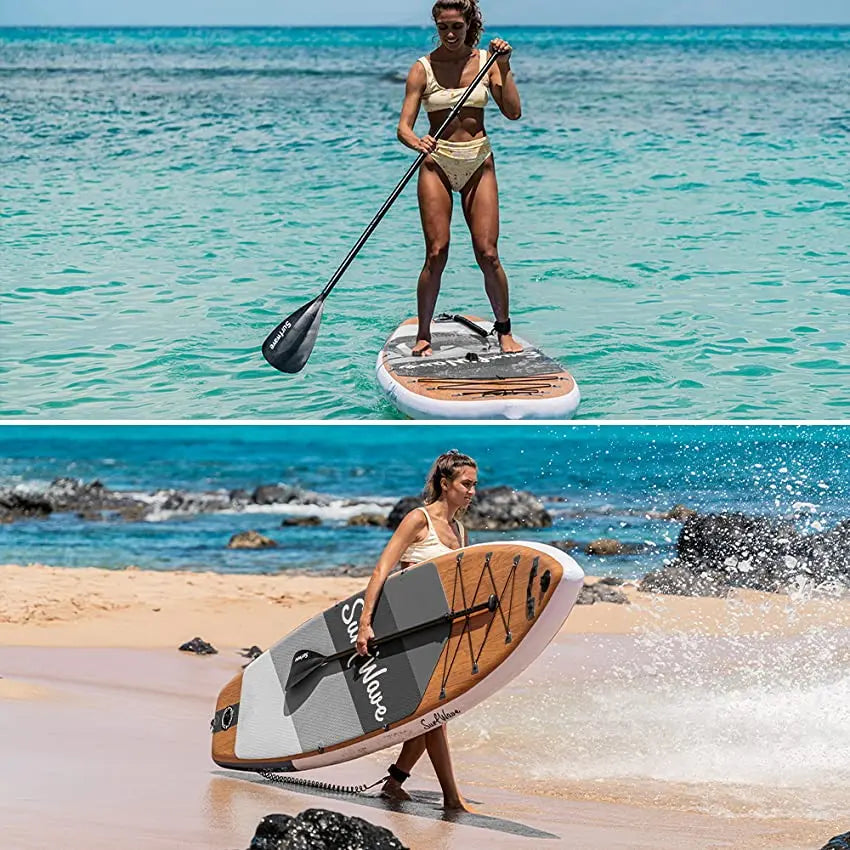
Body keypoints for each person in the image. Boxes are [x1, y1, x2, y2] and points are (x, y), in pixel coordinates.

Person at [397, 0, 523, 358]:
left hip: (478, 162)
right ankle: (424, 334)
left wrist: (505, 65)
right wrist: (416, 141)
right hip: (436, 163)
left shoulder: (486, 63)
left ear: (470, 25)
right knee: (436, 252)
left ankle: (504, 331)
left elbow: (513, 113)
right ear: (436, 26)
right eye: (443, 28)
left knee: (488, 253)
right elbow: (403, 127)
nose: (450, 34)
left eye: (457, 27)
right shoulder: (422, 69)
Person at [355, 449, 478, 811]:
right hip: (410, 630)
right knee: (434, 715)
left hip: (440, 629)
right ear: (445, 484)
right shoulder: (418, 520)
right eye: (466, 484)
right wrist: (365, 624)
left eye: (474, 484)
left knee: (431, 715)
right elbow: (382, 571)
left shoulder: (459, 529)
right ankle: (452, 798)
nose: (472, 491)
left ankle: (394, 783)